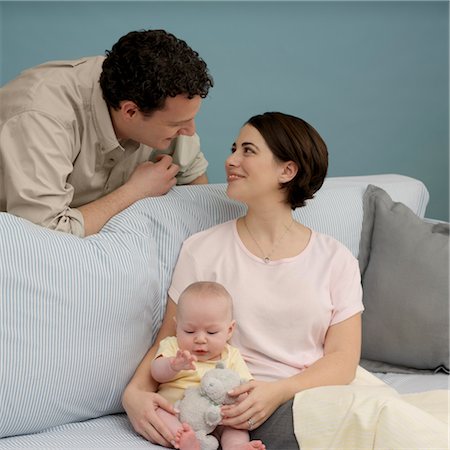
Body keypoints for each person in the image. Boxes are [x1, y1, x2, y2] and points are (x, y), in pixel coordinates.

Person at [122, 112, 364, 449]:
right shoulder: (202, 249)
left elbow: (343, 361)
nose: (230, 160)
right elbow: (171, 336)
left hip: (308, 396)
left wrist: (278, 391)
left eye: (248, 151)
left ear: (287, 170)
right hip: (232, 403)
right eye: (234, 148)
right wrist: (133, 395)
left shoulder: (336, 258)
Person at [0, 29, 213, 237]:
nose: (190, 131)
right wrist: (135, 192)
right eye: (178, 123)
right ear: (130, 111)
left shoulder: (152, 91)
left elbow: (193, 176)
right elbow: (45, 235)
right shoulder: (42, 119)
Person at [151, 281, 265, 450]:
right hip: (176, 411)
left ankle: (236, 446)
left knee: (234, 426)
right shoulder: (173, 346)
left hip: (217, 417)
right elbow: (155, 373)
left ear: (229, 330)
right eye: (189, 331)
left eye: (211, 332)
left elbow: (245, 387)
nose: (200, 339)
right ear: (177, 327)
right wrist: (173, 365)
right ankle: (185, 439)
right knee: (158, 412)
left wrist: (238, 400)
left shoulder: (231, 355)